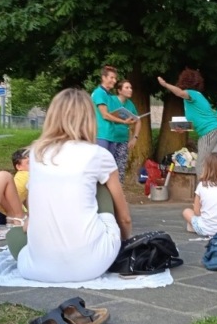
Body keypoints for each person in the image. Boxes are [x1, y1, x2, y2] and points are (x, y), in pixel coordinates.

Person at [13, 88, 133, 283]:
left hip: (34, 269)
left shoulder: (36, 153)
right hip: (90, 265)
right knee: (101, 187)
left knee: (15, 237)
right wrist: (125, 241)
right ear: (89, 118)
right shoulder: (98, 154)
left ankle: (49, 254)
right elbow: (125, 218)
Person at [158, 69, 217, 180]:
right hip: (216, 129)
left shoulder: (192, 94)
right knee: (214, 163)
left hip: (209, 132)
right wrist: (183, 128)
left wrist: (165, 84)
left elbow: (179, 93)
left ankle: (202, 189)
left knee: (201, 165)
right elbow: (199, 121)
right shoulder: (197, 98)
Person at [91, 64, 134, 155]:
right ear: (103, 78)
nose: (114, 81)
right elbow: (105, 115)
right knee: (102, 163)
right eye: (112, 78)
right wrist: (124, 121)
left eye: (115, 78)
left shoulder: (109, 95)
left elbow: (113, 114)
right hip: (101, 135)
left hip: (111, 136)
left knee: (110, 163)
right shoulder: (99, 93)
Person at [113, 80, 142, 184]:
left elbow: (138, 121)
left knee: (120, 169)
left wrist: (135, 138)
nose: (130, 90)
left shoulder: (130, 104)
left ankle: (118, 191)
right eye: (127, 87)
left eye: (131, 88)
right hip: (110, 139)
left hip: (123, 140)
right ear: (119, 91)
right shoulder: (111, 100)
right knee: (108, 168)